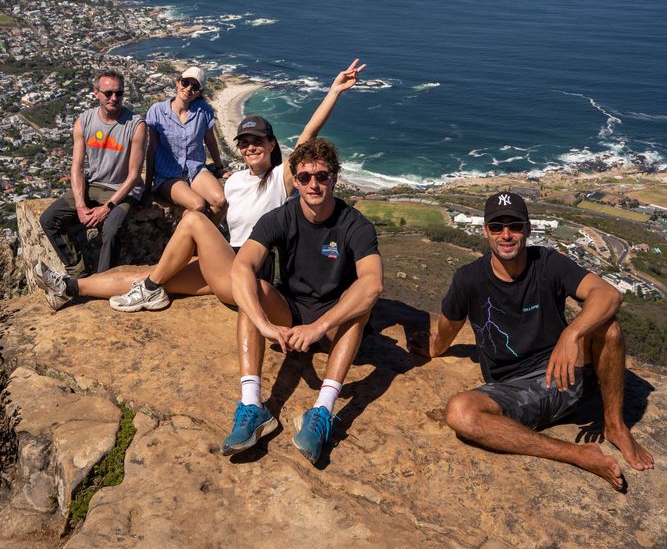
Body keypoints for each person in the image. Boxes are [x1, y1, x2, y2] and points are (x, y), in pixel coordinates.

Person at [34, 61, 367, 317]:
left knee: (192, 222)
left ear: (271, 145)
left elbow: (307, 135)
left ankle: (150, 288)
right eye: (245, 143)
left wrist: (334, 92)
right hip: (223, 263)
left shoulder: (281, 179)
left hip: (248, 270)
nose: (251, 148)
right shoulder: (234, 180)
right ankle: (70, 286)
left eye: (258, 142)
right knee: (148, 274)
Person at [409, 191, 654, 490]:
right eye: (497, 227)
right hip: (514, 392)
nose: (506, 234)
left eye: (514, 225)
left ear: (527, 228)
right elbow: (450, 322)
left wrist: (570, 333)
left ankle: (614, 425)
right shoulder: (469, 279)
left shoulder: (548, 263)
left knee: (609, 328)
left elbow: (608, 294)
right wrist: (436, 347)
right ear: (485, 230)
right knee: (461, 412)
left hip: (567, 374)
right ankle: (577, 454)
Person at [222, 137, 383, 465]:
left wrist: (318, 327)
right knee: (255, 289)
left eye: (322, 176)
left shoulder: (354, 224)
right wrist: (264, 325)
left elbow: (373, 283)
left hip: (333, 323)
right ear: (295, 180)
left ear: (334, 178)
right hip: (289, 315)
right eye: (305, 177)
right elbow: (241, 268)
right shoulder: (280, 217)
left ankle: (322, 411)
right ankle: (253, 406)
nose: (314, 184)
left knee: (360, 306)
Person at [38, 69, 146, 283]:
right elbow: (77, 167)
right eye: (108, 93)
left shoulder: (136, 124)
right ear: (96, 93)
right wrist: (80, 204)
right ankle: (78, 271)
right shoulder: (84, 121)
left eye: (119, 93)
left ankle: (104, 282)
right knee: (49, 218)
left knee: (111, 229)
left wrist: (107, 208)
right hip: (95, 183)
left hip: (123, 189)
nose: (114, 98)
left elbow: (133, 175)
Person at [145, 65, 226, 221]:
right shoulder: (157, 111)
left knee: (220, 201)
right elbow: (152, 149)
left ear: (199, 93)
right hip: (167, 175)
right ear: (177, 82)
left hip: (195, 170)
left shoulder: (203, 111)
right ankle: (190, 241)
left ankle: (200, 240)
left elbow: (210, 141)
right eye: (185, 83)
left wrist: (219, 168)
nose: (188, 89)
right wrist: (147, 185)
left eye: (195, 87)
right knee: (197, 205)